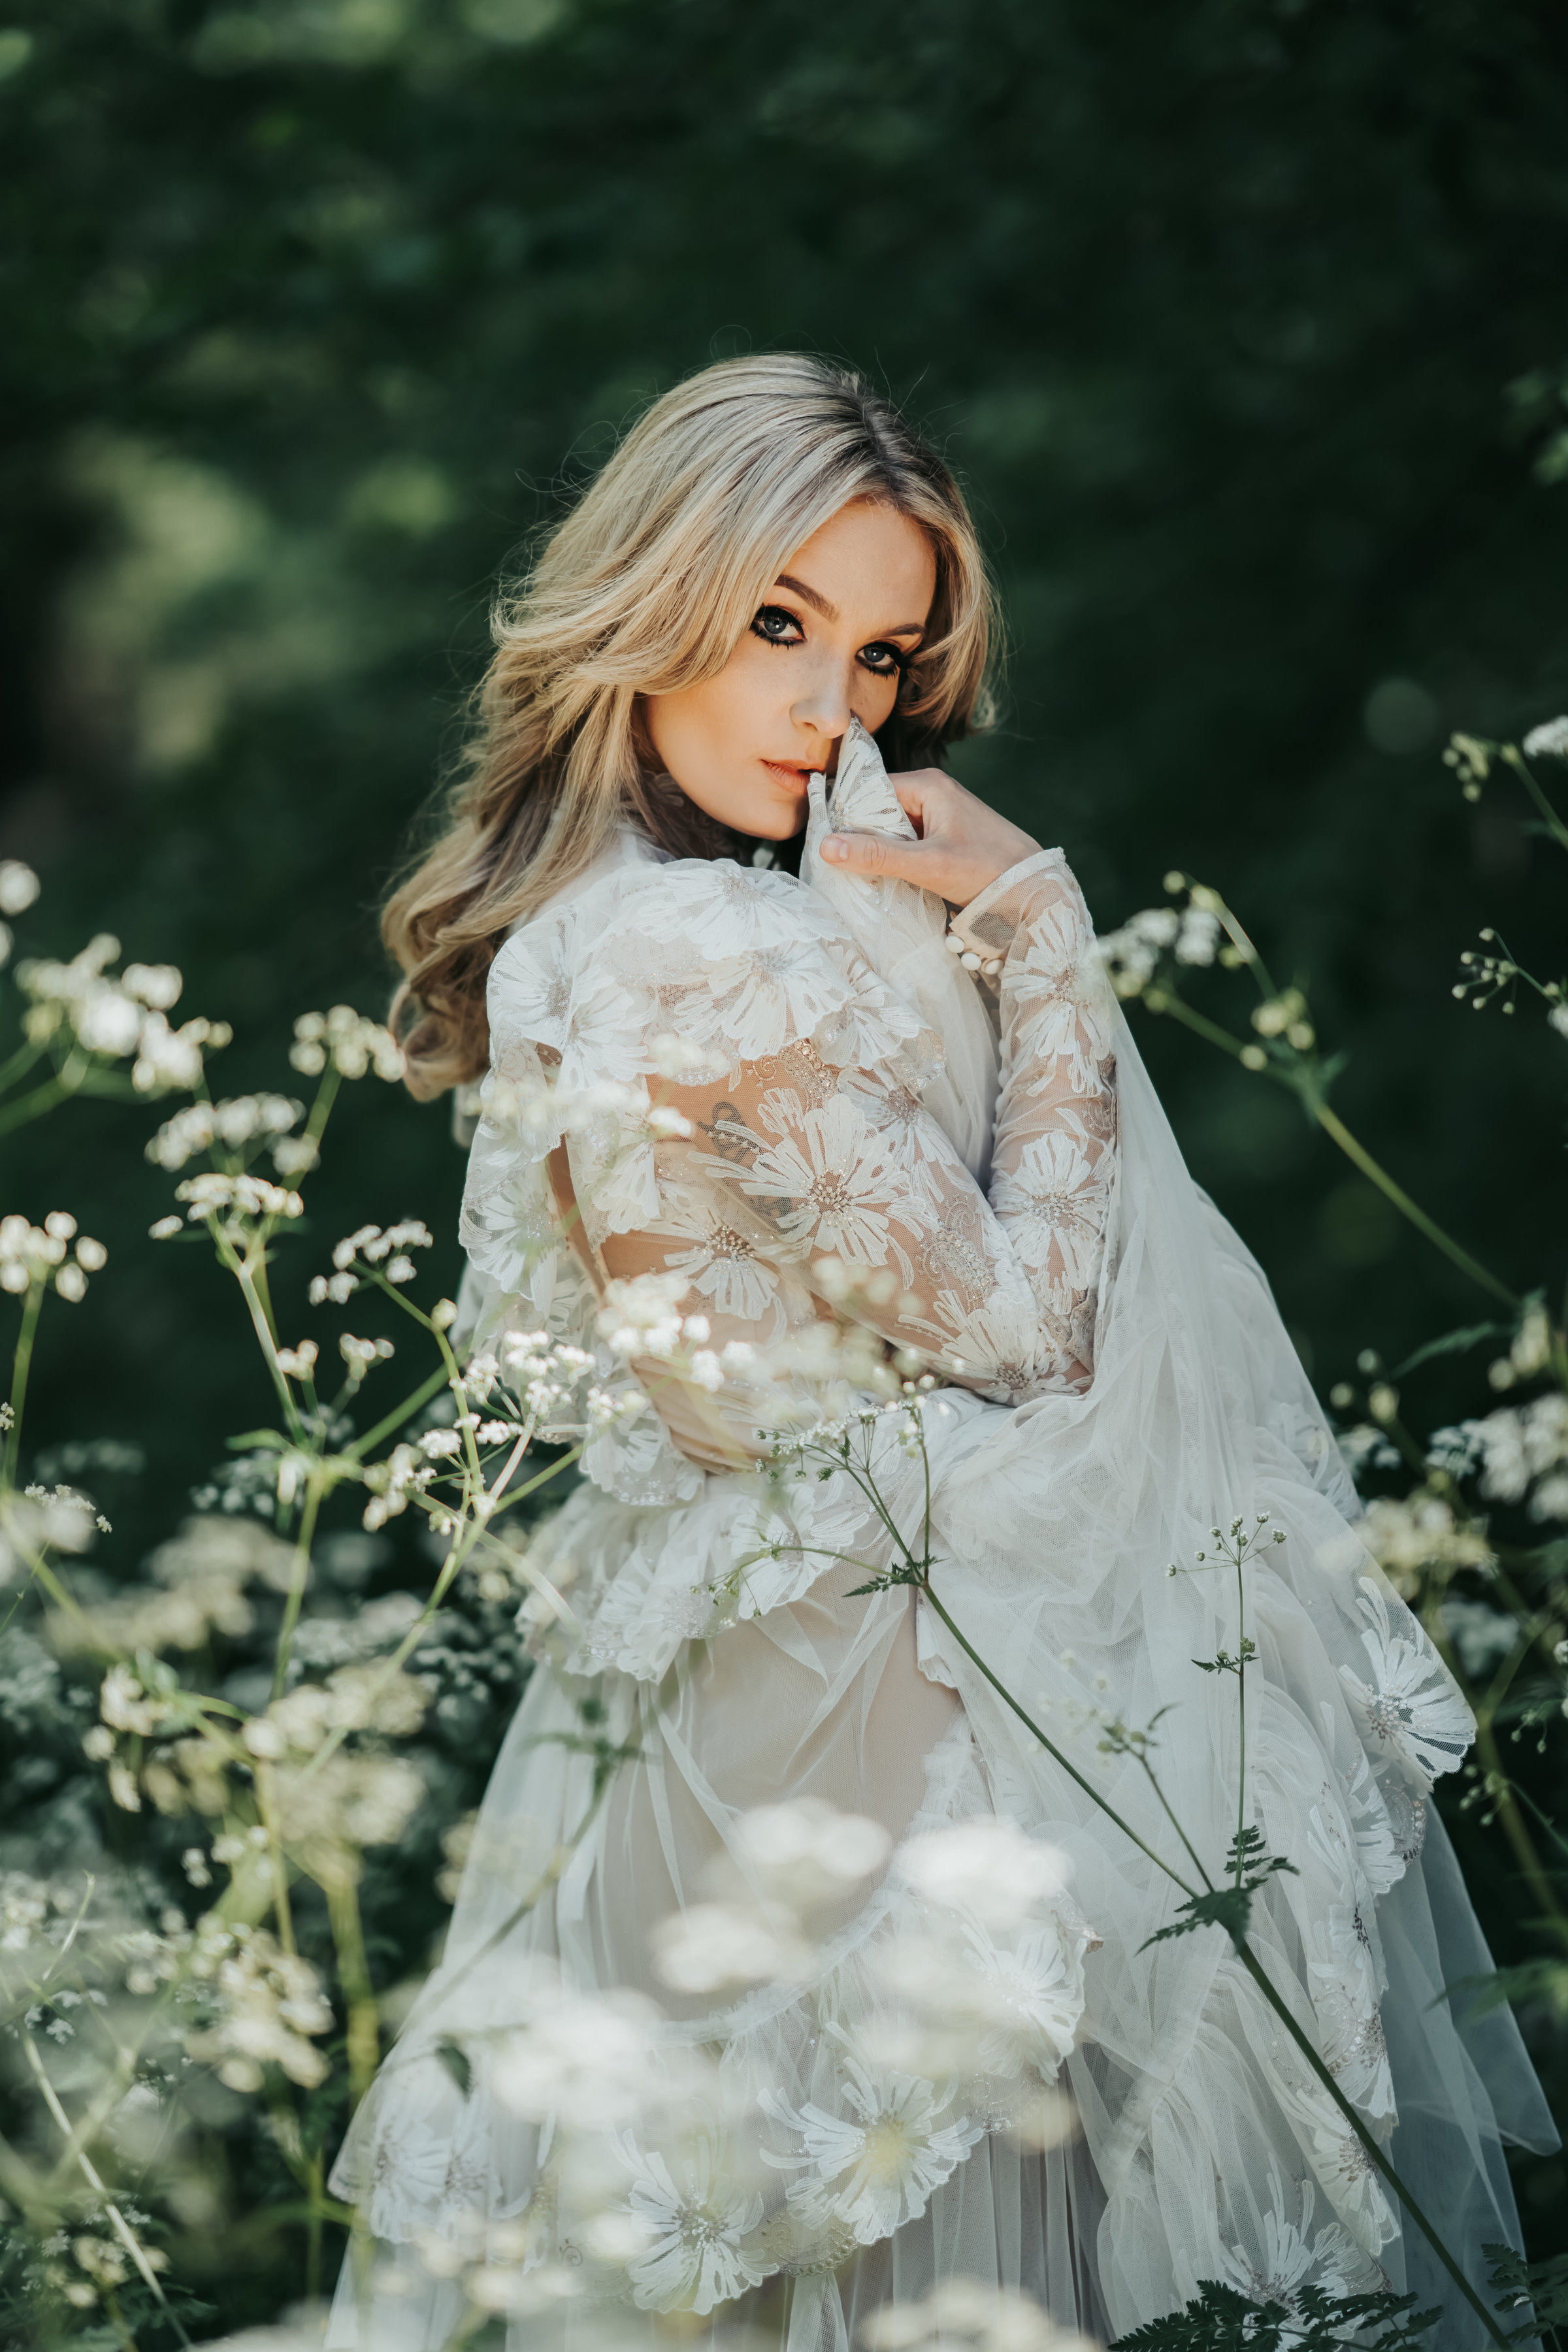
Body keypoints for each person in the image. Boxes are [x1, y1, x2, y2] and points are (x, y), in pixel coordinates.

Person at [327, 355, 1552, 2351]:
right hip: (881, 1704)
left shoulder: (591, 923)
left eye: (883, 652)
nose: (833, 708)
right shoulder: (703, 948)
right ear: (656, 602)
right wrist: (1044, 945)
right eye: (778, 625)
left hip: (732, 1704)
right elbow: (1021, 1320)